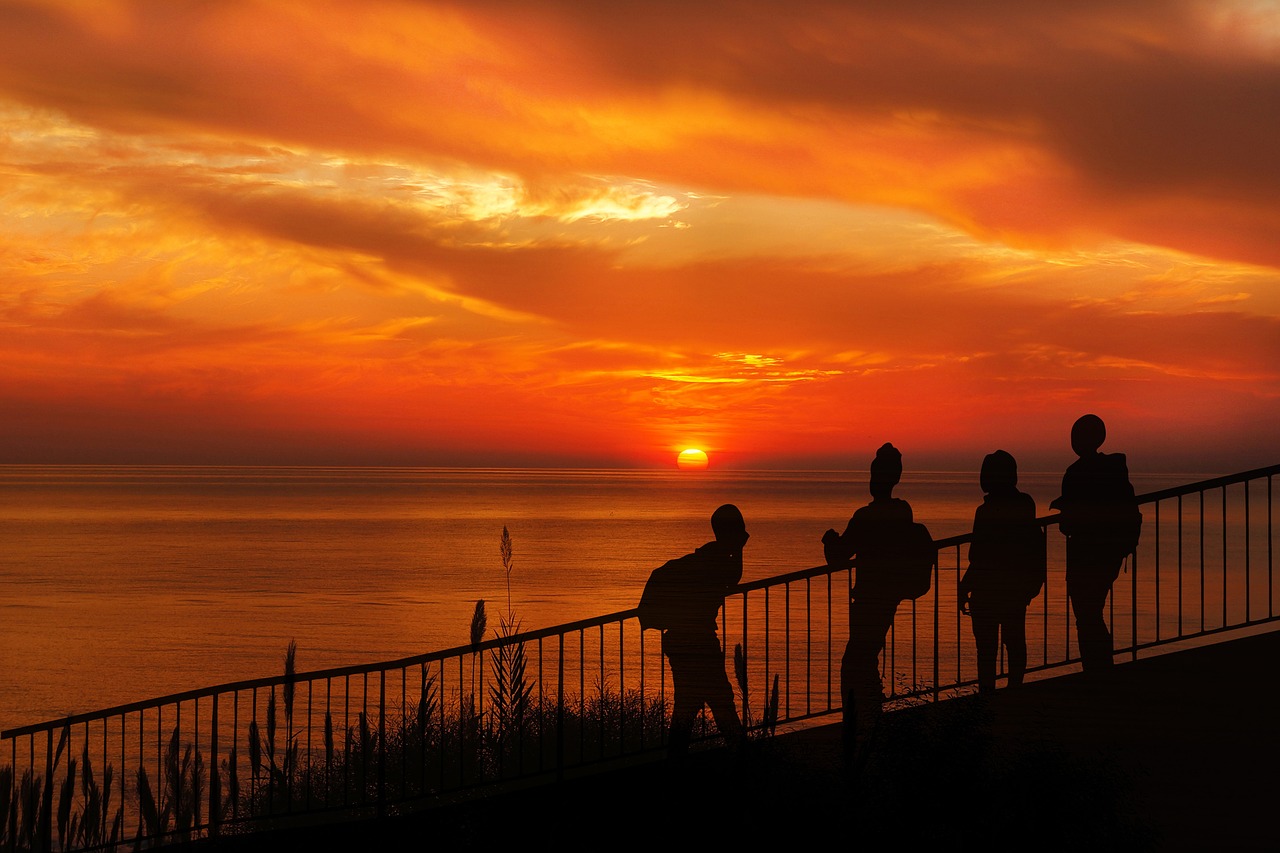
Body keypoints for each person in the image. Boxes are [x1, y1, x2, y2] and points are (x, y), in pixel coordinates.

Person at [822, 442, 913, 768]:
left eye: (875, 472)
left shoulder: (866, 516)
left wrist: (828, 539)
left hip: (870, 598)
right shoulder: (903, 511)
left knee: (854, 662)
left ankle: (860, 727)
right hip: (887, 596)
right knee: (867, 657)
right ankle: (872, 720)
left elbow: (838, 556)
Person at [644, 503, 748, 758]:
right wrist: (740, 547)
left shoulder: (703, 557)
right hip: (699, 641)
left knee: (687, 706)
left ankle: (675, 760)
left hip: (680, 641)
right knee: (721, 701)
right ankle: (743, 757)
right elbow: (734, 576)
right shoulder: (718, 561)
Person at [1049, 414, 1141, 673]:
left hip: (1084, 554)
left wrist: (1064, 510)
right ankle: (1101, 666)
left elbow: (1068, 524)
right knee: (1093, 611)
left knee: (1086, 614)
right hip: (1110, 552)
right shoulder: (1115, 470)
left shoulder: (1075, 473)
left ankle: (1096, 668)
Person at [959, 450, 1042, 694]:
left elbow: (977, 555)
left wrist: (965, 585)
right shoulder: (1025, 504)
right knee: (1014, 639)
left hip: (989, 587)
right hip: (1014, 586)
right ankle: (1015, 687)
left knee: (987, 647)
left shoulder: (985, 512)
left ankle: (988, 693)